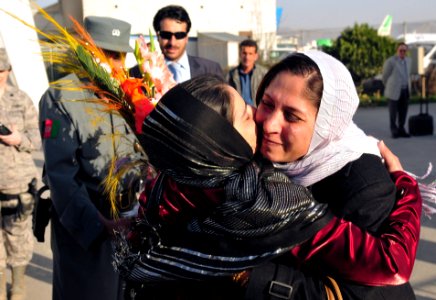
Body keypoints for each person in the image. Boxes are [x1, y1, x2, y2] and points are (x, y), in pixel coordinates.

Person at [116, 75, 421, 299]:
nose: (263, 120)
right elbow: (391, 264)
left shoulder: (171, 181)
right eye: (248, 115)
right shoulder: (263, 201)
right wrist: (407, 186)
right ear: (223, 144)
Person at [253, 50, 419, 298]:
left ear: (325, 125)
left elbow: (360, 293)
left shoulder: (364, 186)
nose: (269, 124)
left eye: (291, 116)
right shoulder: (261, 154)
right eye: (267, 104)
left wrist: (246, 276)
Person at [39, 16, 142, 300]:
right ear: (85, 48)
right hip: (88, 228)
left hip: (130, 225)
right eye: (103, 53)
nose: (112, 63)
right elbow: (62, 178)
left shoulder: (128, 94)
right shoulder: (61, 97)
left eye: (118, 56)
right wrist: (101, 226)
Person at [0, 48, 40, 300]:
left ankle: (18, 286)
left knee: (18, 238)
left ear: (8, 71)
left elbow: (36, 138)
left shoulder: (21, 99)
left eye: (1, 71)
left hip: (17, 183)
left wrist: (18, 138)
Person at [131, 5, 223, 82]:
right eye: (166, 35)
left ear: (187, 37)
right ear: (158, 36)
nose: (172, 42)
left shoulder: (211, 70)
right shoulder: (136, 74)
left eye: (179, 35)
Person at [382, 42, 412, 138]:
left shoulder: (408, 61)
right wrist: (389, 86)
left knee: (403, 112)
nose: (402, 52)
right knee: (393, 113)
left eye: (404, 50)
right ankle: (394, 131)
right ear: (397, 51)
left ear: (406, 51)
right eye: (401, 50)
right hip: (393, 91)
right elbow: (385, 76)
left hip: (405, 90)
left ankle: (401, 129)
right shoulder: (391, 61)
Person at [227, 39, 268, 106]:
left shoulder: (264, 74)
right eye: (244, 53)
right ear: (240, 54)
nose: (247, 57)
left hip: (257, 112)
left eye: (250, 54)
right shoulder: (232, 74)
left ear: (256, 56)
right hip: (238, 112)